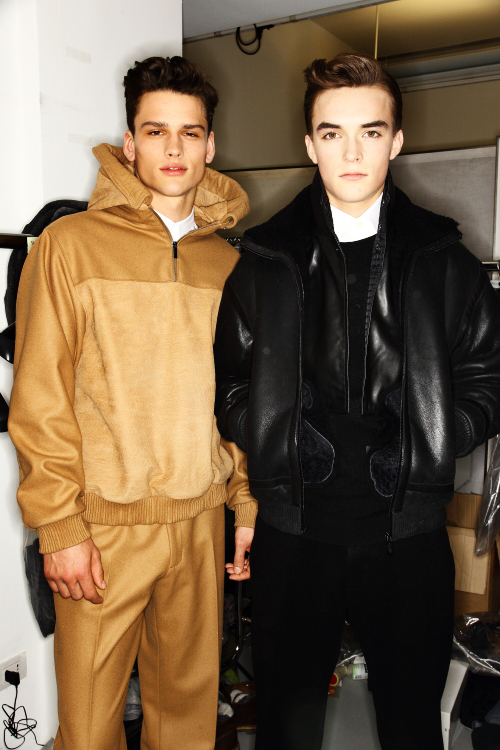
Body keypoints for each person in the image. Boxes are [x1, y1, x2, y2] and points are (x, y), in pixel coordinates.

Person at [215, 53, 500, 750]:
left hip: (408, 538)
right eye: (332, 133)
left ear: (396, 141)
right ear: (310, 144)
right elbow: (230, 386)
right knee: (288, 729)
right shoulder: (263, 263)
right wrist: (284, 438)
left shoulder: (446, 261)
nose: (351, 152)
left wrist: (428, 440)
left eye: (370, 132)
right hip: (294, 535)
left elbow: (489, 379)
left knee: (411, 727)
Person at [9, 55, 257, 750]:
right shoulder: (68, 247)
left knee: (188, 726)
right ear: (129, 143)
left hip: (200, 523)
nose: (174, 149)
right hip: (102, 529)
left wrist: (244, 500)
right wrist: (60, 528)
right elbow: (39, 395)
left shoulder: (232, 265)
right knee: (89, 731)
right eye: (156, 131)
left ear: (210, 145)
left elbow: (241, 396)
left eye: (190, 133)